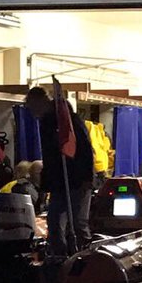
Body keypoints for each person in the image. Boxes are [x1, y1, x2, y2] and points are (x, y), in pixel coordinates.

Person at [24, 86, 94, 258]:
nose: (32, 111)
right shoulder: (46, 122)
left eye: (32, 106)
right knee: (54, 221)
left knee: (77, 222)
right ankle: (59, 256)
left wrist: (87, 178)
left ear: (40, 102)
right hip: (59, 180)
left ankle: (84, 257)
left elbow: (85, 150)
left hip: (77, 179)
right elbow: (50, 157)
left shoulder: (67, 120)